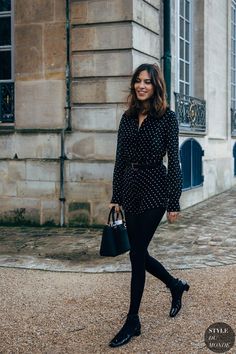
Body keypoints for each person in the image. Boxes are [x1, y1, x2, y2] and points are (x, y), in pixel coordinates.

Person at [108, 63, 190, 348]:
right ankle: (175, 285)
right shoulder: (127, 118)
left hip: (156, 187)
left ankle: (133, 319)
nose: (141, 86)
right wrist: (116, 196)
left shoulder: (167, 118)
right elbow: (119, 160)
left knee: (137, 252)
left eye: (147, 82)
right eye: (138, 81)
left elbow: (175, 162)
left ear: (156, 86)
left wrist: (174, 201)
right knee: (138, 252)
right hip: (130, 188)